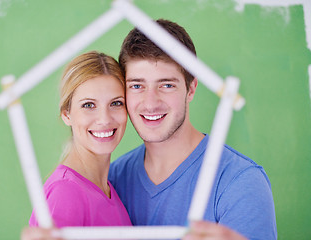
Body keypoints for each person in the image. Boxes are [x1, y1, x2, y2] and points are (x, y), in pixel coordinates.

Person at [108, 19, 277, 239]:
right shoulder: (113, 179)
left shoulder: (241, 182)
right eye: (137, 86)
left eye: (167, 85)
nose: (150, 103)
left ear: (191, 89)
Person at [29, 51, 132, 227]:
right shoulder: (66, 193)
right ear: (66, 114)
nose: (105, 119)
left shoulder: (107, 188)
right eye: (89, 105)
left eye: (116, 103)